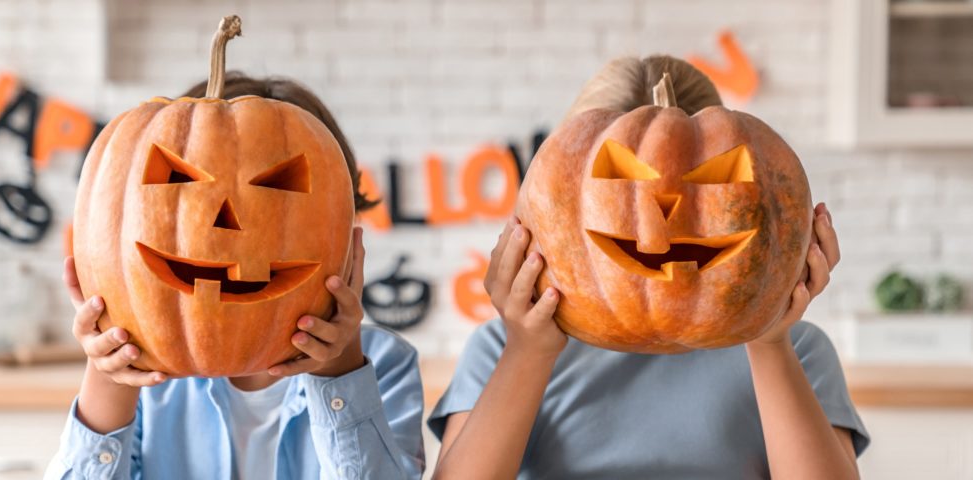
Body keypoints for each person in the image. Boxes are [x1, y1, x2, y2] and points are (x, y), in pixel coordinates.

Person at [429, 56, 869, 480]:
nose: (661, 208)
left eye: (709, 179)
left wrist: (767, 331)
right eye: (618, 182)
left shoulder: (799, 350)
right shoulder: (501, 347)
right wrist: (528, 351)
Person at [46, 75, 425, 480]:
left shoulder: (384, 364)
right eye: (182, 179)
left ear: (345, 227)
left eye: (281, 188)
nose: (228, 226)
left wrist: (340, 368)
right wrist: (113, 371)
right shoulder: (150, 384)